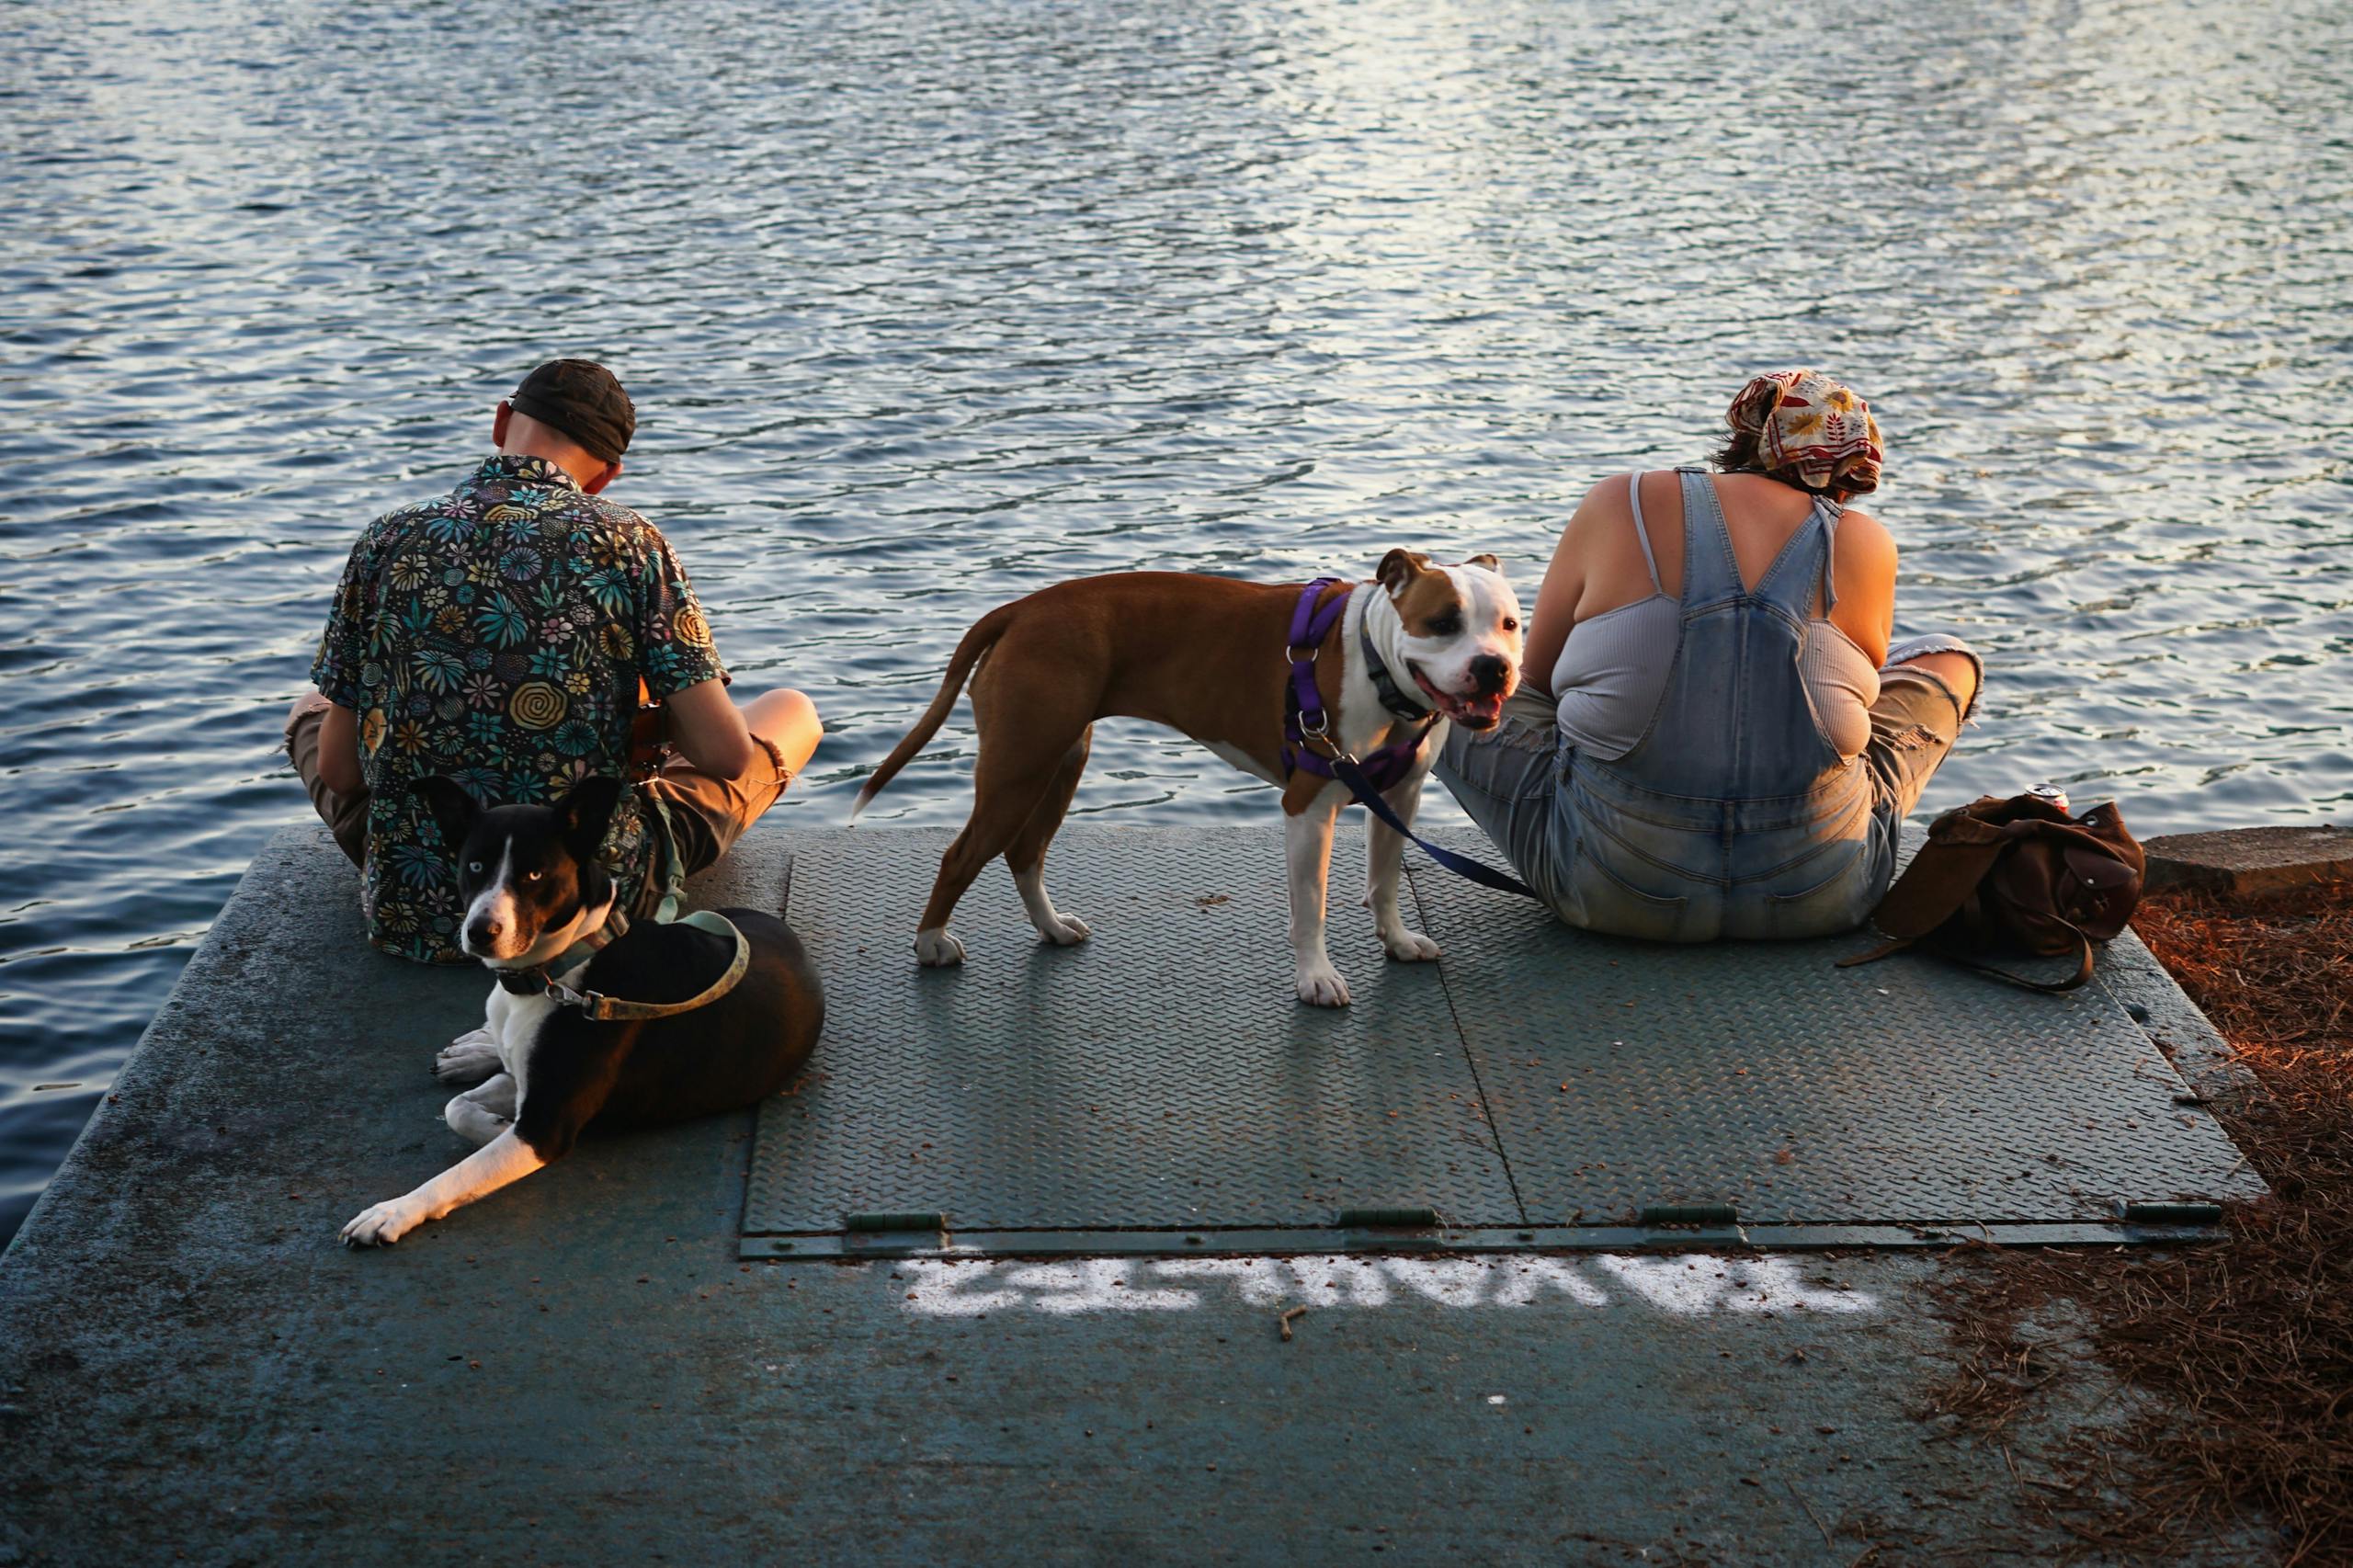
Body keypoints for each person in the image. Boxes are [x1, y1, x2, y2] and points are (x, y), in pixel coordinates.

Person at [286, 358, 821, 963]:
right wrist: (647, 726)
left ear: (502, 421)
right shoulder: (631, 542)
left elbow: (340, 772)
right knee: (790, 709)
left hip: (417, 903)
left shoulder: (386, 538)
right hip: (585, 912)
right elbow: (726, 757)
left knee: (313, 706)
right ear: (605, 476)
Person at [1435, 369, 1981, 941]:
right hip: (1823, 896)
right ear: (1852, 468)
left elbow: (1536, 685)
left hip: (1605, 889)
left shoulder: (1624, 499)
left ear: (1742, 437)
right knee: (1947, 658)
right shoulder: (1866, 541)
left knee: (1430, 667)